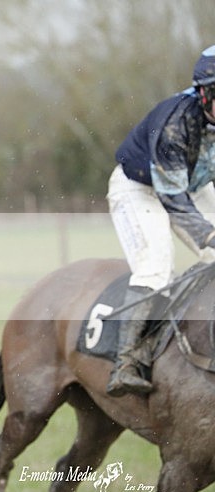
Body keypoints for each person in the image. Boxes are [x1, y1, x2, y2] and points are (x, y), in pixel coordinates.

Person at [106, 44, 215, 397]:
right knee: (155, 266)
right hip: (142, 189)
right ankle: (126, 362)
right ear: (205, 94)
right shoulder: (175, 124)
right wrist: (210, 238)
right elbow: (174, 200)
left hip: (191, 184)